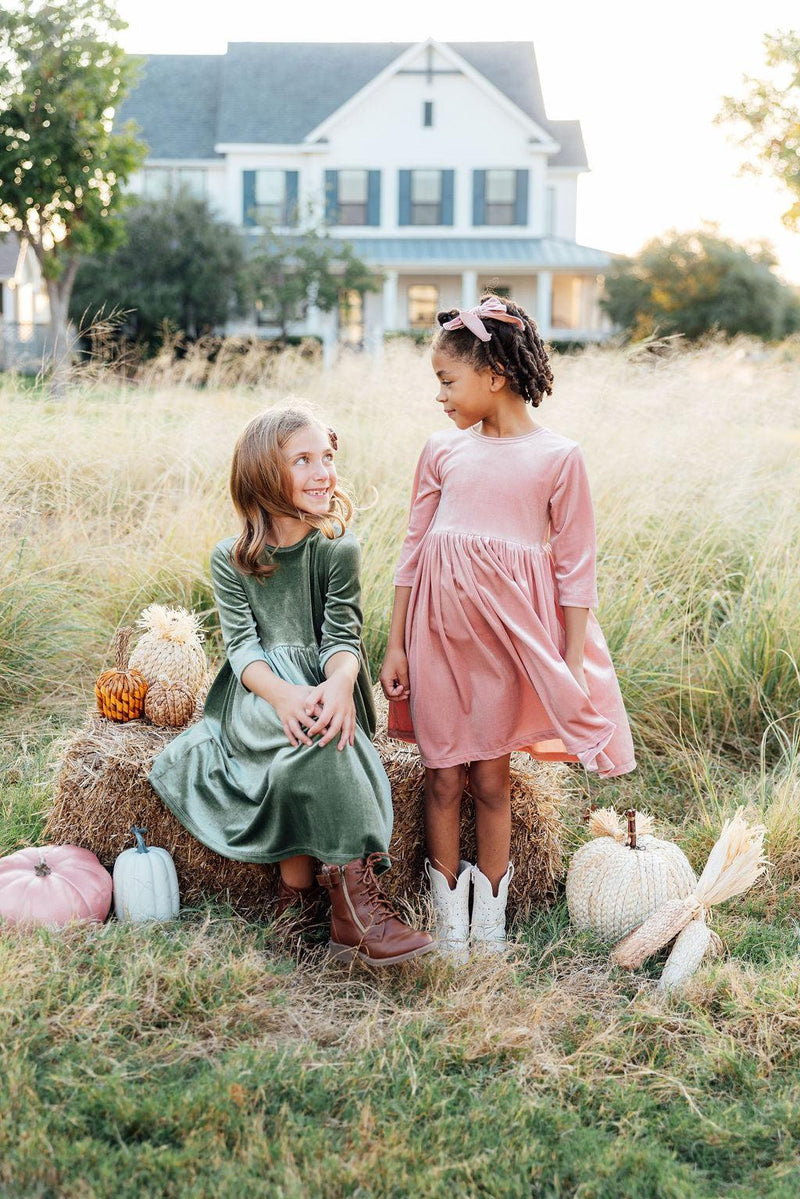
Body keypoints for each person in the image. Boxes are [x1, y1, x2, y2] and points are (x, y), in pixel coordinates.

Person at [380, 295, 635, 962]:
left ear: (494, 373)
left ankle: (489, 926)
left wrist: (572, 661)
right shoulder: (440, 451)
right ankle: (448, 924)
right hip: (436, 634)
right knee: (440, 777)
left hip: (501, 642)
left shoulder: (559, 457)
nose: (439, 396)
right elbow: (412, 549)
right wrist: (395, 640)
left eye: (446, 381)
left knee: (490, 781)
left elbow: (576, 570)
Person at [149, 405, 434, 966]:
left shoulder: (337, 550)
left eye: (326, 457)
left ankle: (336, 904)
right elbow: (243, 650)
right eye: (303, 460)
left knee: (326, 735)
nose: (322, 471)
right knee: (308, 737)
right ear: (262, 474)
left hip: (329, 681)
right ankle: (329, 907)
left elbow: (342, 638)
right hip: (258, 695)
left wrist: (340, 685)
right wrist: (283, 695)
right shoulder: (233, 560)